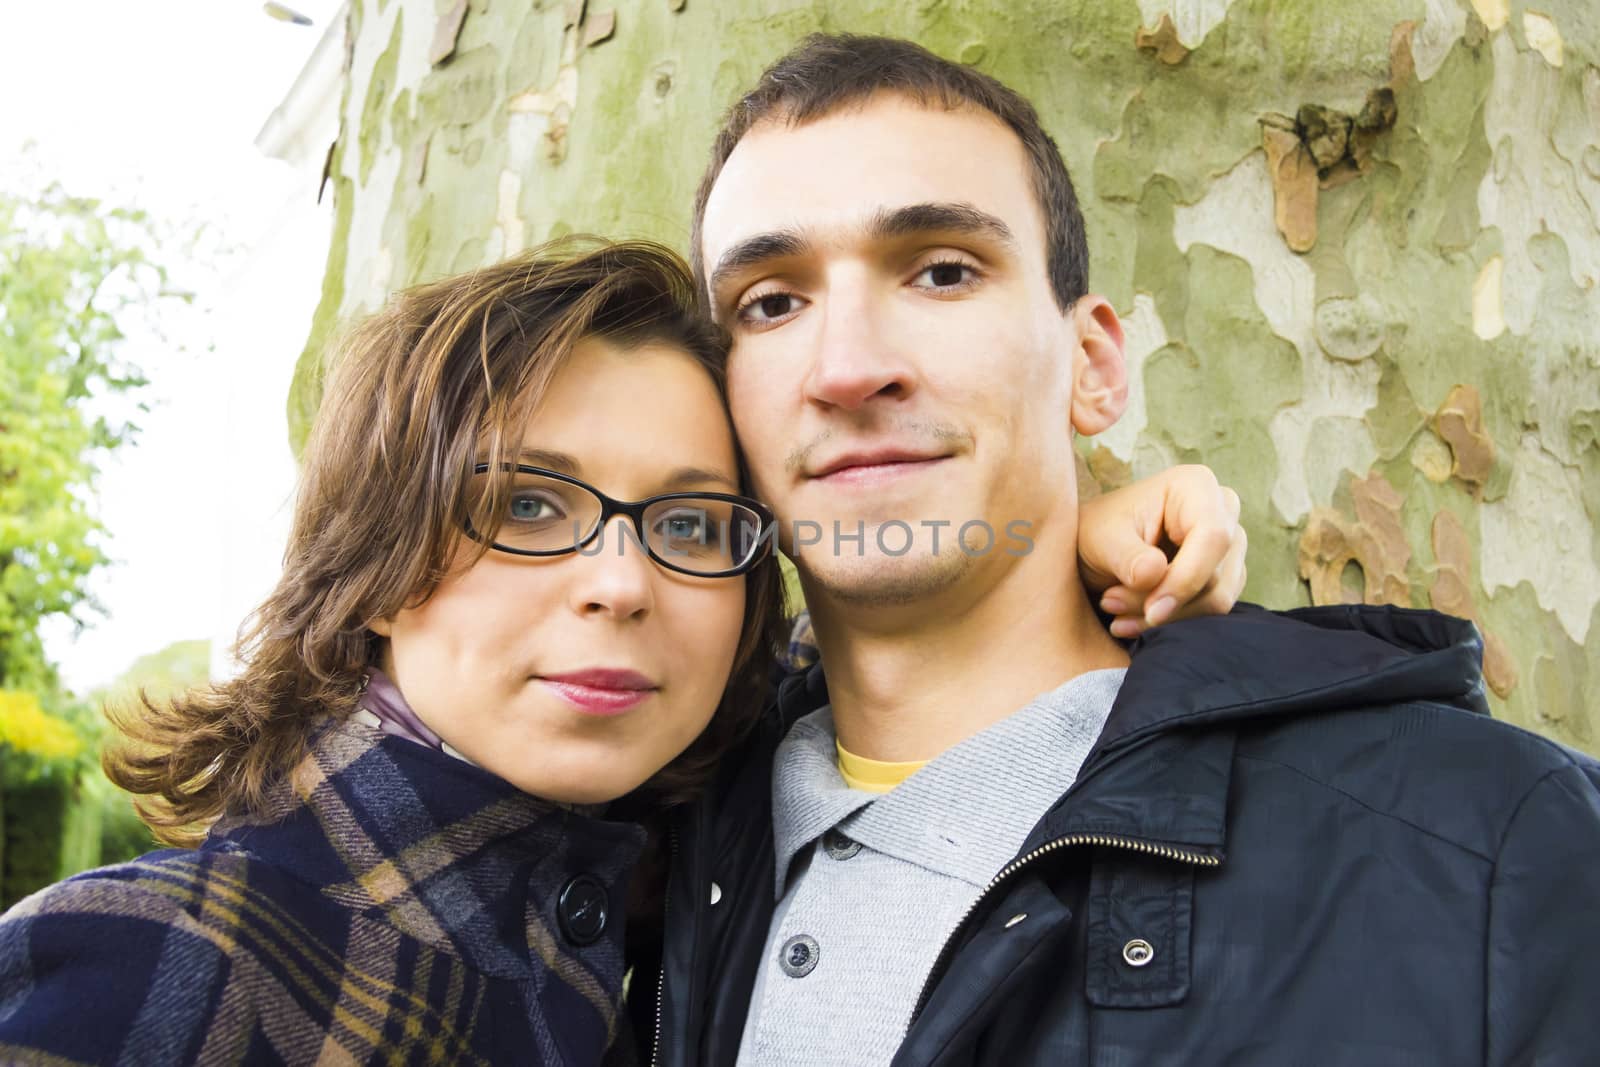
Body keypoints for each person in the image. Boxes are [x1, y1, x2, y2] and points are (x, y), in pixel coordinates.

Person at [0, 239, 1241, 1064]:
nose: (622, 583)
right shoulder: (143, 962)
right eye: (526, 504)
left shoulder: (718, 866)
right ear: (371, 554)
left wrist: (1058, 543)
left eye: (692, 522)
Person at [649, 33, 1600, 1067]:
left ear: (1094, 364)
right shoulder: (628, 834)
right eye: (772, 302)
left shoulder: (1501, 842)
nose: (847, 367)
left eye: (939, 270)